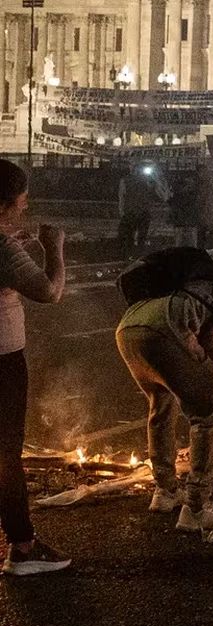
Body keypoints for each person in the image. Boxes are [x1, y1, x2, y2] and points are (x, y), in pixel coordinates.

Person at [115, 266, 213, 532]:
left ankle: (165, 492)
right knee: (209, 414)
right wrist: (212, 380)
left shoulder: (209, 295)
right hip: (166, 325)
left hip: (129, 327)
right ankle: (197, 508)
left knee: (162, 404)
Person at [0, 162, 70, 575]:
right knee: (7, 452)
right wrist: (52, 249)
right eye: (20, 205)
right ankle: (23, 547)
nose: (23, 212)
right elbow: (49, 291)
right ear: (5, 205)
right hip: (3, 359)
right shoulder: (4, 249)